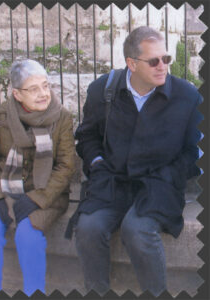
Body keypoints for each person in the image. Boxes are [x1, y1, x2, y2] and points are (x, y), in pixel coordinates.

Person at [67, 26, 202, 296]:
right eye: (154, 61)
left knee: (137, 231)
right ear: (132, 63)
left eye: (166, 59)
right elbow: (87, 136)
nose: (162, 66)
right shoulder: (102, 90)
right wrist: (95, 162)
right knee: (88, 228)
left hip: (159, 184)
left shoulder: (187, 96)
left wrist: (171, 175)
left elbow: (195, 150)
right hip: (112, 180)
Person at [0, 59, 76, 296]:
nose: (43, 94)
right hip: (6, 189)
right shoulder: (1, 116)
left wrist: (36, 199)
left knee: (27, 236)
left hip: (46, 194)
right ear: (17, 94)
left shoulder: (62, 117)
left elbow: (66, 166)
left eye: (45, 85)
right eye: (34, 89)